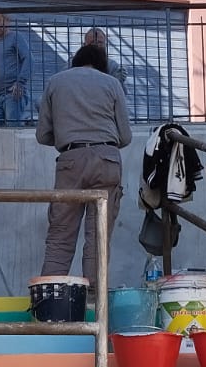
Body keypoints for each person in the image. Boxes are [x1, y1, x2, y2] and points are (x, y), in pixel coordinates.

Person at [35, 43, 133, 286]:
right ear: (101, 66)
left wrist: (69, 136)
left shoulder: (56, 82)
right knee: (98, 238)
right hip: (107, 161)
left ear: (75, 62)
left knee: (60, 237)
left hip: (71, 160)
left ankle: (50, 299)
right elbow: (125, 136)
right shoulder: (112, 84)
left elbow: (42, 135)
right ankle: (94, 301)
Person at [0, 12, 32, 126]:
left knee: (13, 130)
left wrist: (20, 82)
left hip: (13, 95)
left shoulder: (16, 37)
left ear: (7, 21)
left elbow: (29, 59)